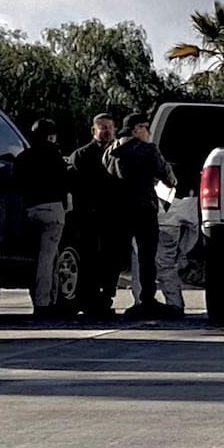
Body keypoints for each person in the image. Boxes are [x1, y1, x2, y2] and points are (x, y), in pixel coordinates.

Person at [104, 112, 177, 319]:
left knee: (115, 257)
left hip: (118, 210)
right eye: (145, 127)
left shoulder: (110, 151)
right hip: (144, 208)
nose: (149, 132)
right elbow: (168, 176)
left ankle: (104, 298)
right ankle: (147, 300)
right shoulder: (148, 150)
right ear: (136, 130)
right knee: (147, 257)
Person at [14, 118, 69, 319]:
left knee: (38, 257)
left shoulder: (23, 157)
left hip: (30, 210)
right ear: (51, 136)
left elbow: (17, 184)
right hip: (52, 210)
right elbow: (65, 183)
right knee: (48, 259)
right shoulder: (55, 156)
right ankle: (44, 303)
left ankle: (44, 299)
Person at [67, 113, 119, 317]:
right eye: (102, 127)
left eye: (109, 127)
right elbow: (75, 184)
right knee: (89, 258)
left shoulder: (120, 153)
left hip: (113, 215)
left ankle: (106, 298)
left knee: (111, 259)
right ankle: (88, 299)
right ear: (94, 130)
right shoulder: (81, 155)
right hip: (88, 216)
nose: (106, 131)